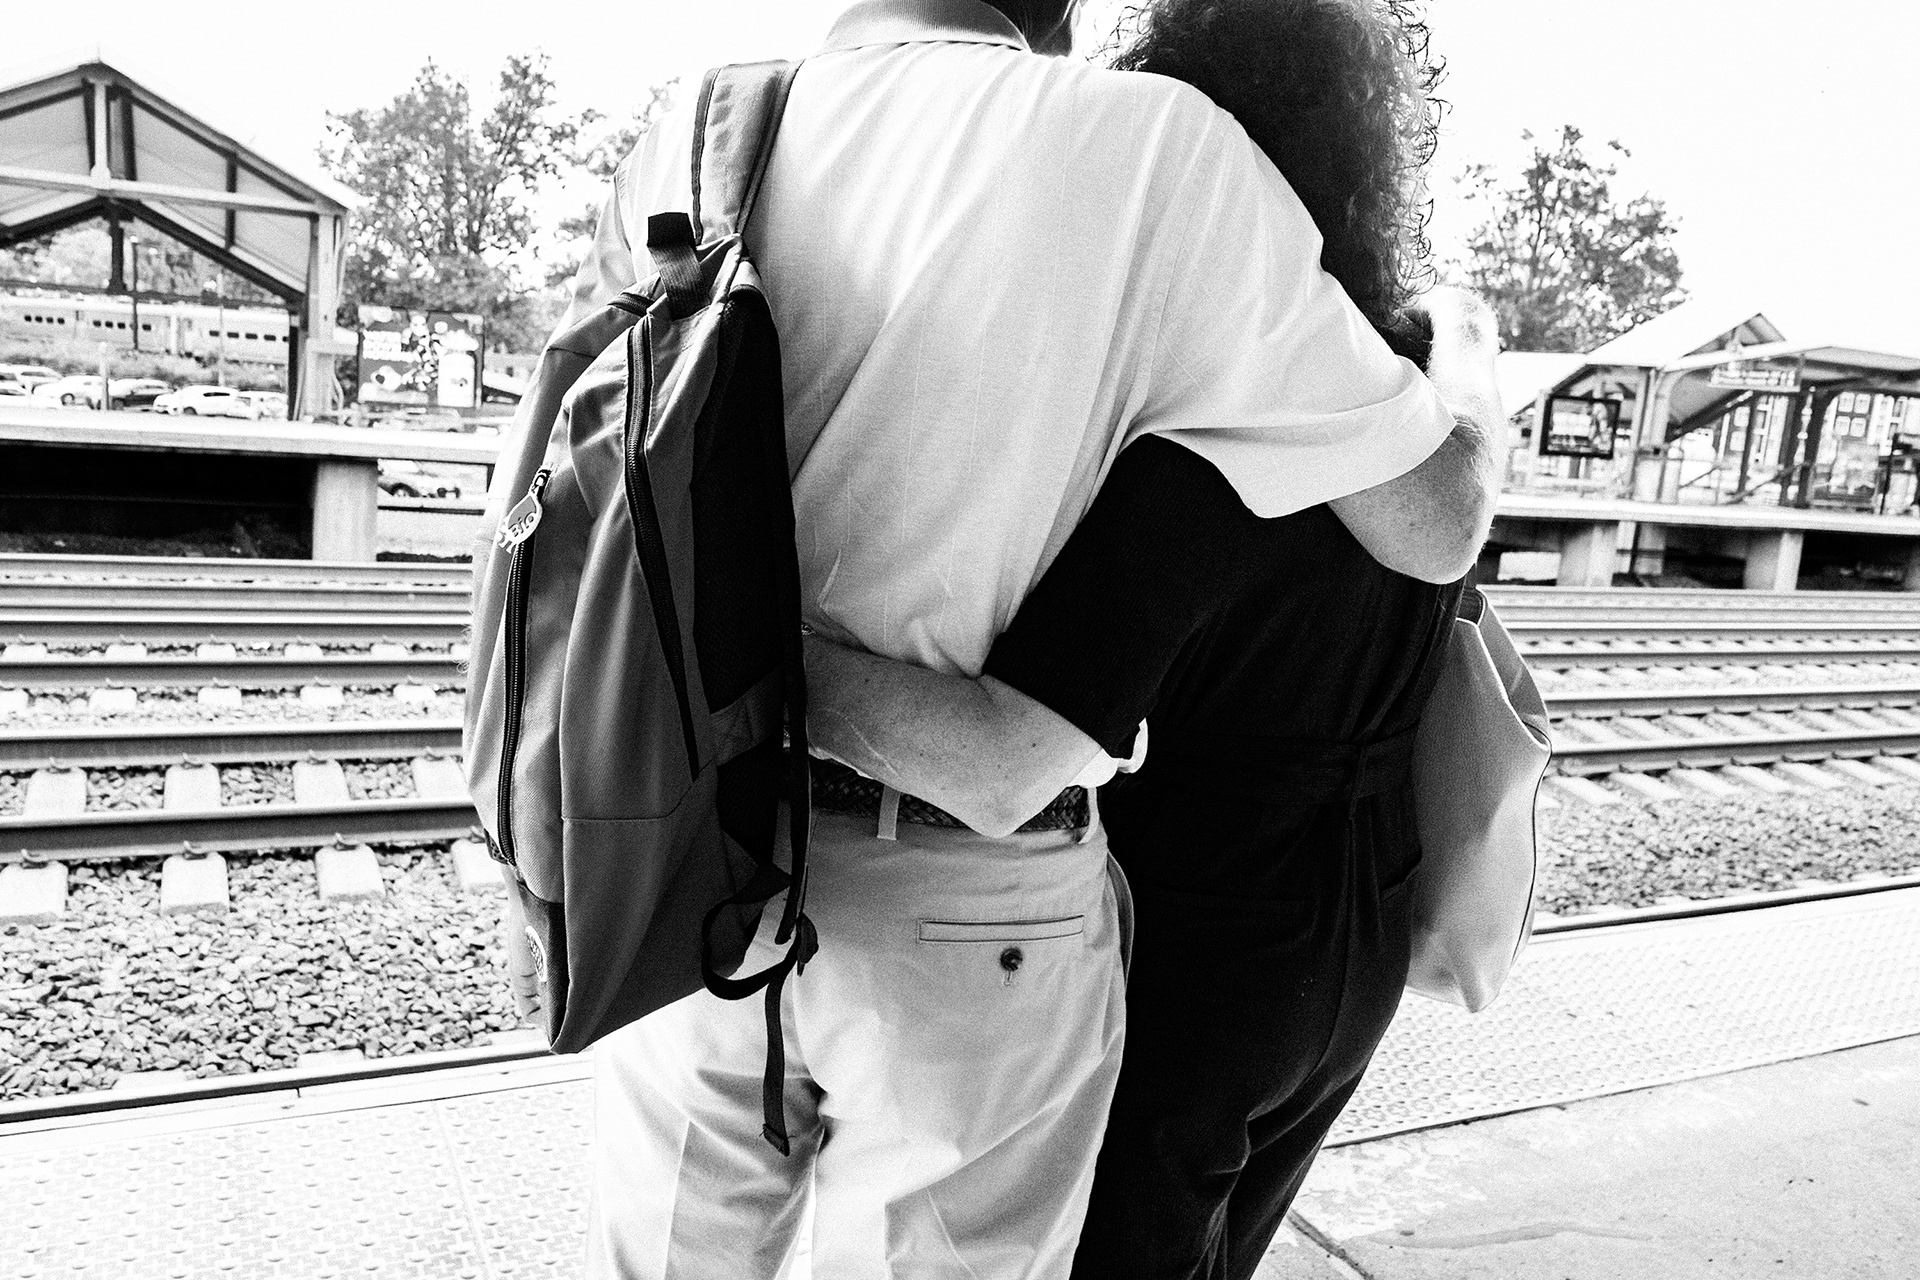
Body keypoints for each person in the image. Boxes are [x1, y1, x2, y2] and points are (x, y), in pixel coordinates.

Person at [555, 1, 1500, 1275]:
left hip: (689, 865)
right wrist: (1469, 360)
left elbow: (568, 519)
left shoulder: (700, 127)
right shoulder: (1169, 158)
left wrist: (704, 680)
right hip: (992, 915)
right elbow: (1439, 523)